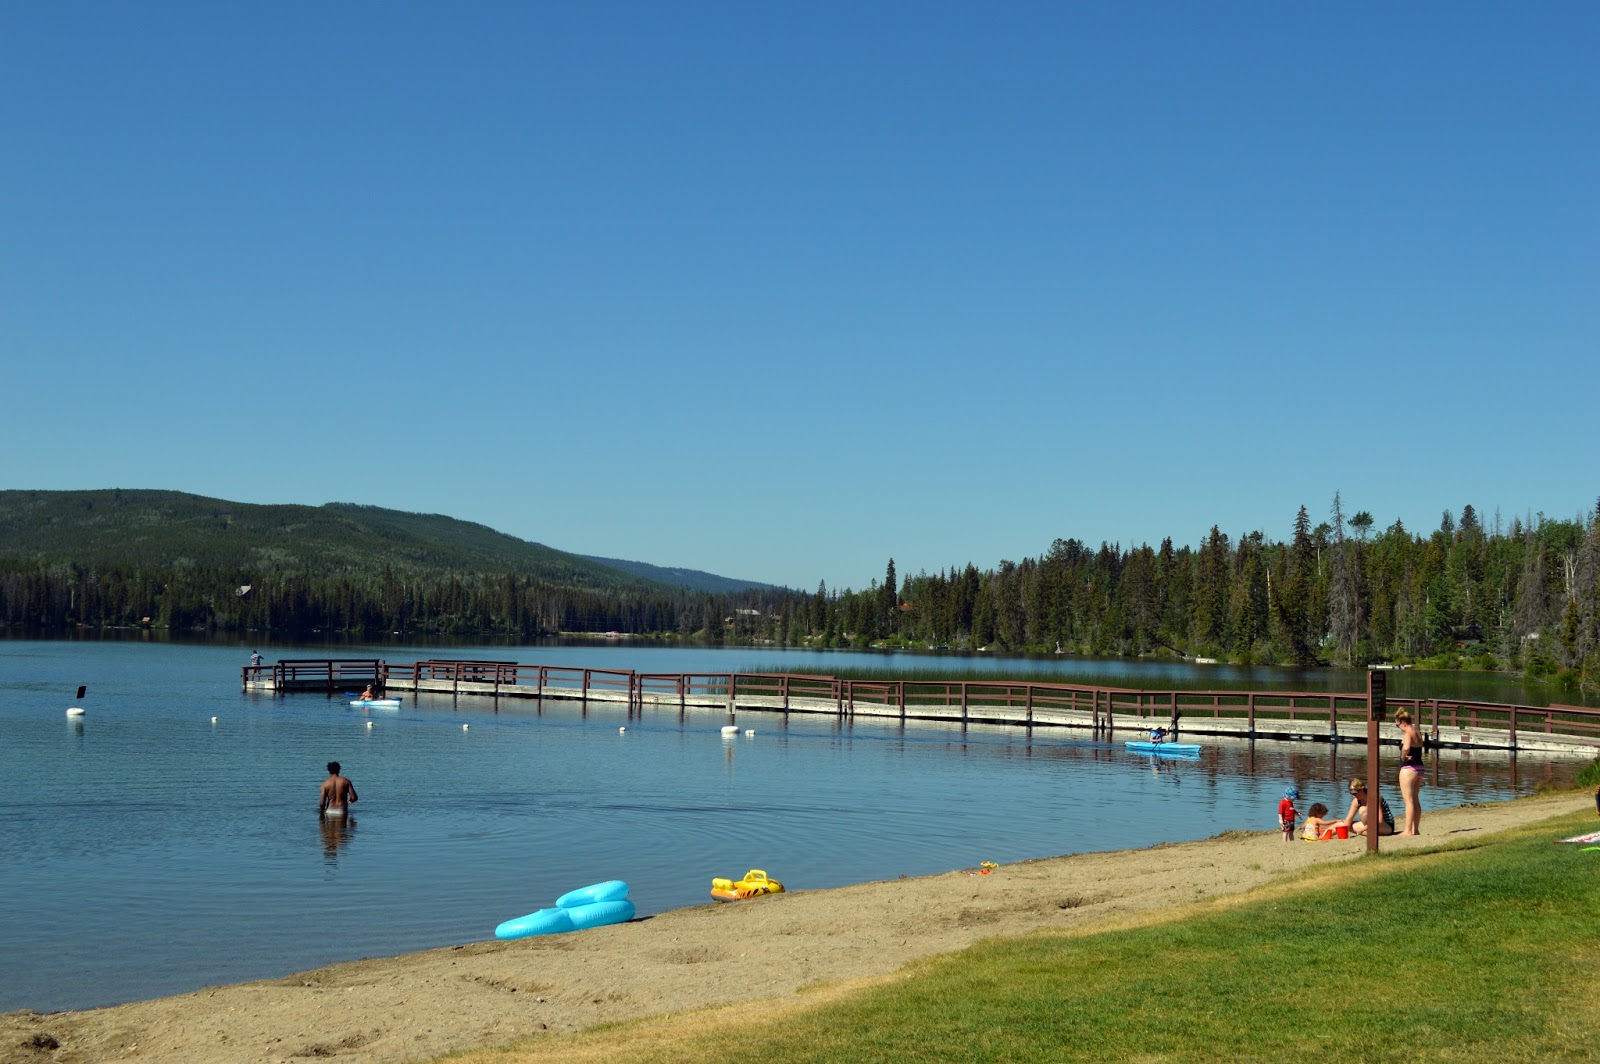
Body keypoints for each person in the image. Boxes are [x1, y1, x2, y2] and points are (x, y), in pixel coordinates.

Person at [1395, 707, 1425, 835]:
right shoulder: (1418, 733)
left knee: (1408, 801)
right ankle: (1415, 829)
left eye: (1398, 725)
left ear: (1403, 722)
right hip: (1420, 768)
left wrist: (1403, 756)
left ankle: (1407, 830)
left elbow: (1406, 748)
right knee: (1415, 799)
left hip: (1408, 769)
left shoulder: (1407, 733)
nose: (1399, 728)